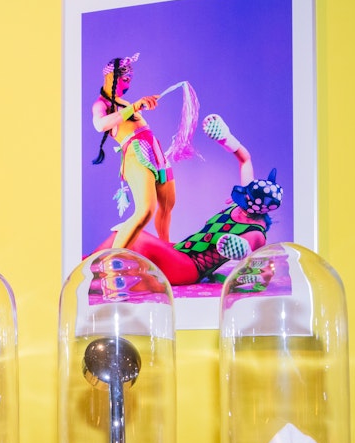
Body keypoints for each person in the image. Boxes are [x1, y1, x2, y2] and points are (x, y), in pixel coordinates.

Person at [95, 113, 283, 285]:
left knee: (138, 239)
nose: (240, 199)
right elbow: (245, 160)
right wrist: (225, 137)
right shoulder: (247, 201)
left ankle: (94, 274)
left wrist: (242, 251)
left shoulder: (256, 233)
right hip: (181, 251)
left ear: (258, 208)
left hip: (189, 268)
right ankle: (89, 267)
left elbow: (256, 262)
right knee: (121, 235)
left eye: (245, 199)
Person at [91, 53, 175, 247]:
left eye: (130, 78)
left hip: (155, 151)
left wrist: (137, 106)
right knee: (145, 210)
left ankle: (166, 247)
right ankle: (113, 259)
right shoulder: (101, 104)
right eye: (125, 77)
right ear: (111, 77)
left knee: (168, 204)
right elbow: (100, 125)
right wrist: (135, 107)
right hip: (136, 153)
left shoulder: (125, 103)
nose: (128, 81)